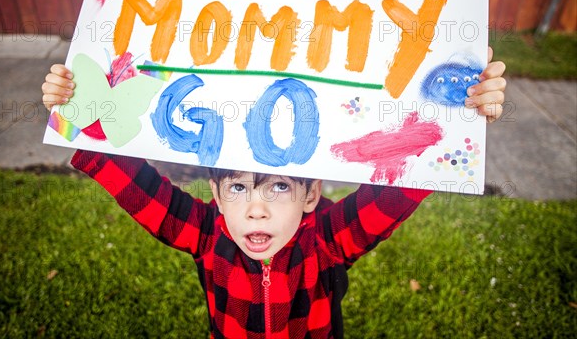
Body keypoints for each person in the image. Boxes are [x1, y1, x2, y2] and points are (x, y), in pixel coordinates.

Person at [42, 48, 506, 338]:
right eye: (238, 187)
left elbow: (403, 184)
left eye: (279, 186)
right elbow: (137, 186)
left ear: (310, 194)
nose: (256, 208)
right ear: (217, 195)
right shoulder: (207, 233)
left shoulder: (327, 237)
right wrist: (78, 107)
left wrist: (459, 113)